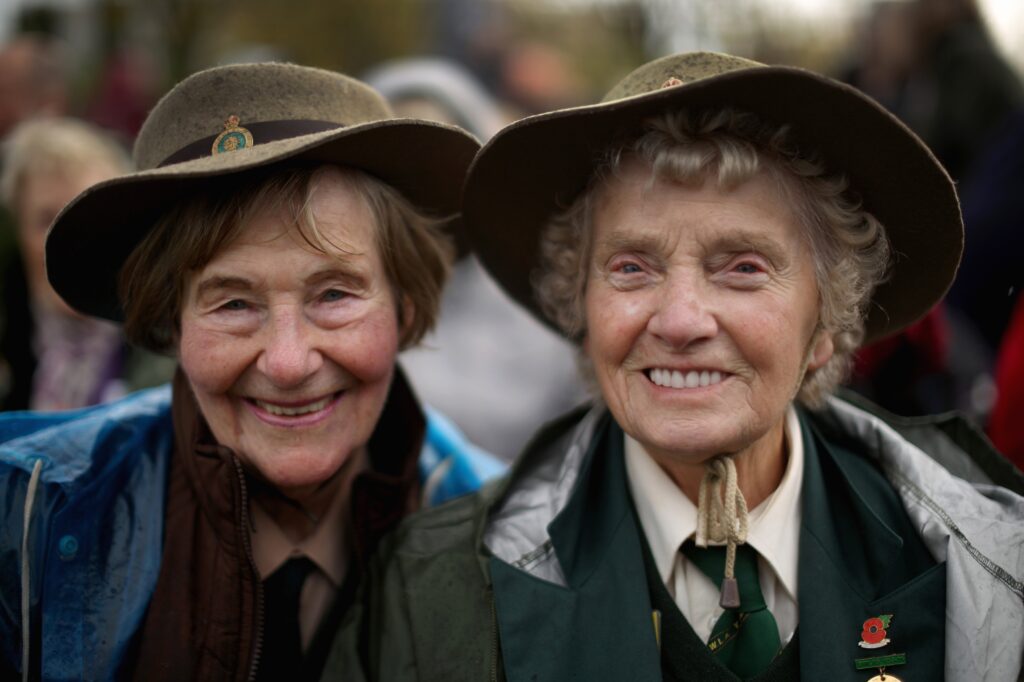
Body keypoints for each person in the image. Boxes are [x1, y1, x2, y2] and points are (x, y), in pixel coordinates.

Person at [327, 52, 1024, 681]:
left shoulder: (990, 569)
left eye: (743, 268)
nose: (681, 320)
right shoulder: (434, 593)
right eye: (632, 268)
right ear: (584, 308)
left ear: (826, 325)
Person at [0, 61, 498, 681]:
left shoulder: (511, 542)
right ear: (171, 321)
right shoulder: (26, 514)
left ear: (406, 303)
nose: (288, 363)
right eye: (234, 303)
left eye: (335, 295)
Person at [365, 58, 587, 460]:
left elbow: (583, 440)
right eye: (396, 170)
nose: (422, 194)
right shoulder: (339, 301)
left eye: (442, 164)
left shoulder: (544, 294)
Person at [0, 117, 174, 410]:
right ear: (19, 228)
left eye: (84, 214)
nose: (65, 239)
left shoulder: (168, 342)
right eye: (45, 220)